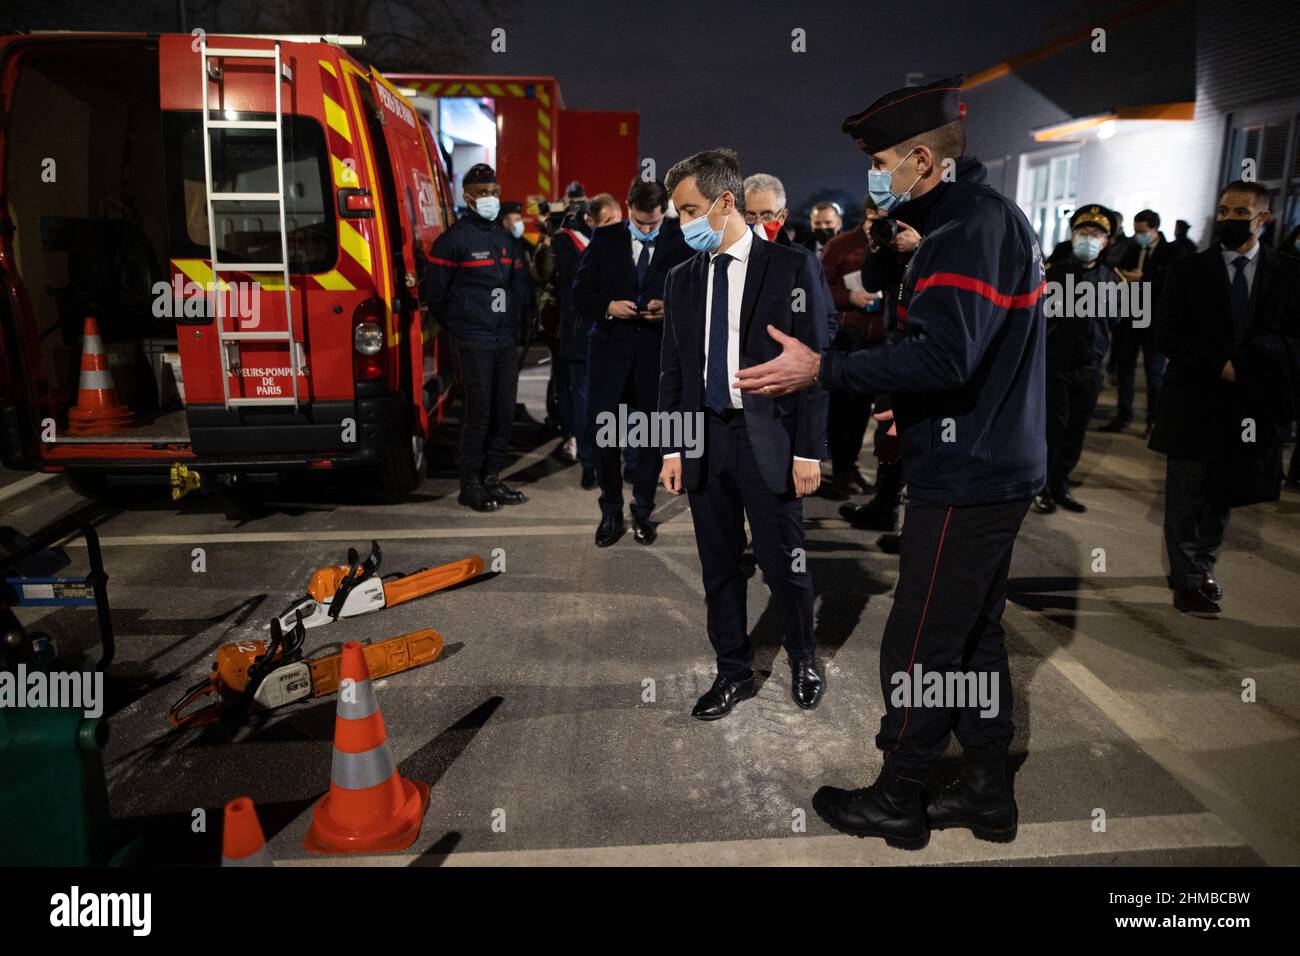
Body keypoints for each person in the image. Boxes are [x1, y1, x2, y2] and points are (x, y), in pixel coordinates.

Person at [734, 75, 1045, 849]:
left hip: (968, 471)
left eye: (881, 161)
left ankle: (899, 797)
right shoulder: (965, 220)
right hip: (990, 460)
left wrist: (827, 371)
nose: (877, 176)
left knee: (920, 640)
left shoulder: (970, 225)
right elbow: (949, 349)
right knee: (975, 636)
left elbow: (946, 354)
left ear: (921, 159)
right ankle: (984, 792)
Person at [659, 148, 829, 718]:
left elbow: (812, 367)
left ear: (725, 203)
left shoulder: (791, 267)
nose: (680, 223)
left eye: (688, 210)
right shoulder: (682, 278)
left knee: (786, 560)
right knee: (719, 565)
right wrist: (673, 445)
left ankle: (803, 654)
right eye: (676, 212)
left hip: (769, 439)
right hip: (705, 438)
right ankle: (731, 670)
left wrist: (809, 450)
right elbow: (674, 372)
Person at [1149, 181, 1300, 615]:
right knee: (1186, 493)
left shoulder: (1289, 273)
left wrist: (1254, 367)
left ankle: (1203, 565)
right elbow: (1169, 334)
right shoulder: (1188, 271)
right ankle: (1186, 579)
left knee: (1222, 492)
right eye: (1223, 211)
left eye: (1240, 213)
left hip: (1248, 406)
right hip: (1194, 400)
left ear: (1262, 219)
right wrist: (1219, 365)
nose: (1229, 220)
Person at [572, 180, 691, 547]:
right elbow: (578, 294)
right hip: (609, 353)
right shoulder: (605, 240)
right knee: (606, 439)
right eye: (640, 223)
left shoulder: (680, 240)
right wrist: (608, 307)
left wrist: (668, 309)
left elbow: (696, 296)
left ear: (663, 212)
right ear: (627, 208)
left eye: (652, 224)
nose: (646, 229)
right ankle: (610, 511)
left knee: (652, 437)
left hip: (654, 355)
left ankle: (642, 511)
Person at [423, 164, 530, 512]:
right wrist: (461, 325)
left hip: (503, 341)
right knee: (478, 412)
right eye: (483, 193)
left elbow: (517, 287)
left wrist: (516, 326)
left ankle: (491, 478)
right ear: (467, 196)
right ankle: (470, 484)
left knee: (503, 411)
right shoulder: (453, 240)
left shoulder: (502, 238)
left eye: (494, 191)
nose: (490, 198)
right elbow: (434, 293)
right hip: (474, 340)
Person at [1034, 205, 1121, 515]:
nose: (1088, 238)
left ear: (1106, 241)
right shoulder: (1053, 272)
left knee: (1077, 428)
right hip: (1055, 365)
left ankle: (1061, 482)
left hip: (1089, 366)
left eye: (1095, 234)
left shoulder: (1112, 279)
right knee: (1052, 428)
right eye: (1082, 233)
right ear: (1072, 237)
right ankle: (1041, 486)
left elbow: (1115, 322)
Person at [819, 195, 886, 495]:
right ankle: (841, 468)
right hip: (846, 337)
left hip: (878, 338)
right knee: (842, 409)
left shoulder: (893, 244)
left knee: (862, 411)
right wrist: (850, 298)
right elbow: (819, 288)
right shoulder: (842, 244)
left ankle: (850, 465)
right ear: (869, 212)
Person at [1101, 208, 1185, 436]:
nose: (1139, 234)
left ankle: (1154, 421)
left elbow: (1172, 283)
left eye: (1143, 231)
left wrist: (1143, 279)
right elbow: (1115, 269)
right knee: (1125, 370)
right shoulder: (1132, 247)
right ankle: (1123, 415)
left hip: (1154, 321)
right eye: (1136, 230)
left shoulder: (1171, 252)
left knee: (1154, 374)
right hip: (1130, 317)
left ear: (1155, 229)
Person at [743, 173, 795, 247]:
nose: (758, 223)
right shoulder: (725, 256)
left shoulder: (803, 258)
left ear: (782, 217)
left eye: (767, 215)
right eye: (750, 216)